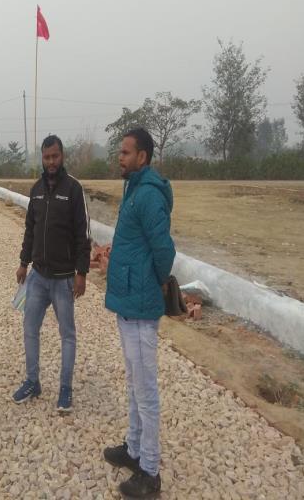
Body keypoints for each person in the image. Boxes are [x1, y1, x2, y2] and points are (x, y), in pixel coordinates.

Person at [102, 128, 175, 497]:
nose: (120, 157)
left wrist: (155, 281)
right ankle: (133, 449)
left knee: (145, 389)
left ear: (142, 157)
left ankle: (150, 470)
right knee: (133, 382)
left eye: (126, 152)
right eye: (120, 152)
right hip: (128, 301)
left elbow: (164, 251)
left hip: (142, 304)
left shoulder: (148, 194)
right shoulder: (133, 188)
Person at [12, 134, 91, 412]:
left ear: (62, 156)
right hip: (37, 277)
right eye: (46, 157)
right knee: (29, 328)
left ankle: (65, 389)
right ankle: (32, 382)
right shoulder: (35, 190)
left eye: (55, 156)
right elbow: (30, 230)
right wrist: (23, 262)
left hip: (63, 279)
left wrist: (82, 273)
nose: (51, 162)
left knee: (67, 334)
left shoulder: (74, 190)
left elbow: (83, 235)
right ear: (42, 159)